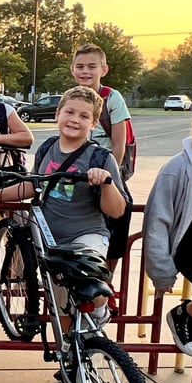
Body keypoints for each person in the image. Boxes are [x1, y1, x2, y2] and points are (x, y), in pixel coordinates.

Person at [0, 86, 128, 383]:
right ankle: (72, 371)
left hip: (85, 235)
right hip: (50, 243)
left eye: (84, 116)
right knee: (62, 315)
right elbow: (32, 186)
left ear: (94, 123)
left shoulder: (100, 157)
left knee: (90, 275)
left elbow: (117, 210)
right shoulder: (46, 149)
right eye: (69, 112)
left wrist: (106, 182)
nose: (75, 119)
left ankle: (100, 311)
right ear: (58, 114)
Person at [70, 43, 133, 275]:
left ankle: (107, 279)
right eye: (80, 66)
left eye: (91, 66)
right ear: (73, 70)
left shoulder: (112, 98)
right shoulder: (72, 98)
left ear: (103, 70)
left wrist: (112, 178)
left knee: (121, 213)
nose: (85, 71)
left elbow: (119, 143)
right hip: (79, 171)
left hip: (106, 169)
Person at [143, 116, 192, 356]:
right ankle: (185, 315)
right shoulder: (179, 167)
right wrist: (162, 271)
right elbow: (156, 222)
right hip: (190, 245)